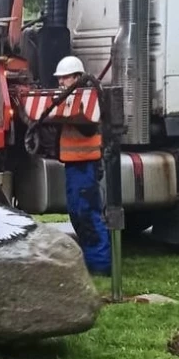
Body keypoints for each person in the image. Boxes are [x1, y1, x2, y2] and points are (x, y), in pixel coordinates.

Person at [53, 55, 111, 276]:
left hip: (85, 167)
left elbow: (86, 127)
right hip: (74, 166)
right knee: (78, 214)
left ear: (77, 77)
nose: (60, 83)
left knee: (88, 214)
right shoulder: (74, 98)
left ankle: (101, 266)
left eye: (64, 78)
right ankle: (93, 262)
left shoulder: (87, 99)